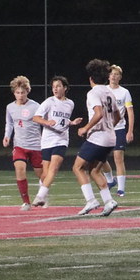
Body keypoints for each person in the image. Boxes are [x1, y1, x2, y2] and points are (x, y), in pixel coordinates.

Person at [71, 59, 121, 216]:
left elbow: (98, 113)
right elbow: (118, 116)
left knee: (77, 167)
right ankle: (109, 201)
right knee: (94, 170)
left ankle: (91, 200)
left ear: (90, 79)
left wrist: (85, 128)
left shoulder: (93, 93)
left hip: (98, 138)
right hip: (110, 138)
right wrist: (109, 127)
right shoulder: (109, 92)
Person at [31, 75, 82, 207]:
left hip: (61, 140)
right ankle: (44, 196)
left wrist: (71, 122)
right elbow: (36, 118)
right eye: (53, 87)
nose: (55, 89)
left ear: (65, 88)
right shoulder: (49, 102)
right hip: (47, 140)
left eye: (58, 86)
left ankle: (39, 196)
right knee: (45, 173)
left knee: (54, 168)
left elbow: (62, 121)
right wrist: (47, 122)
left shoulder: (70, 103)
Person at [3, 75, 43, 211]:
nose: (20, 95)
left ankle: (42, 196)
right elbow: (9, 123)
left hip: (36, 145)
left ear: (28, 91)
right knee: (19, 169)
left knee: (42, 176)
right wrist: (7, 136)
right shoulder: (10, 107)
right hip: (19, 145)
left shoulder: (36, 106)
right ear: (14, 92)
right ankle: (26, 202)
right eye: (17, 93)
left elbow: (44, 122)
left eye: (23, 92)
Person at [99, 64, 134, 195]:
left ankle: (121, 189)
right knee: (99, 157)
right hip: (105, 129)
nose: (114, 76)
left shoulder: (124, 92)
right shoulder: (103, 90)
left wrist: (130, 131)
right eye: (112, 74)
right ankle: (110, 180)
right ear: (108, 76)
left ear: (120, 77)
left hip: (119, 128)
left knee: (118, 158)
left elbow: (130, 111)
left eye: (116, 74)